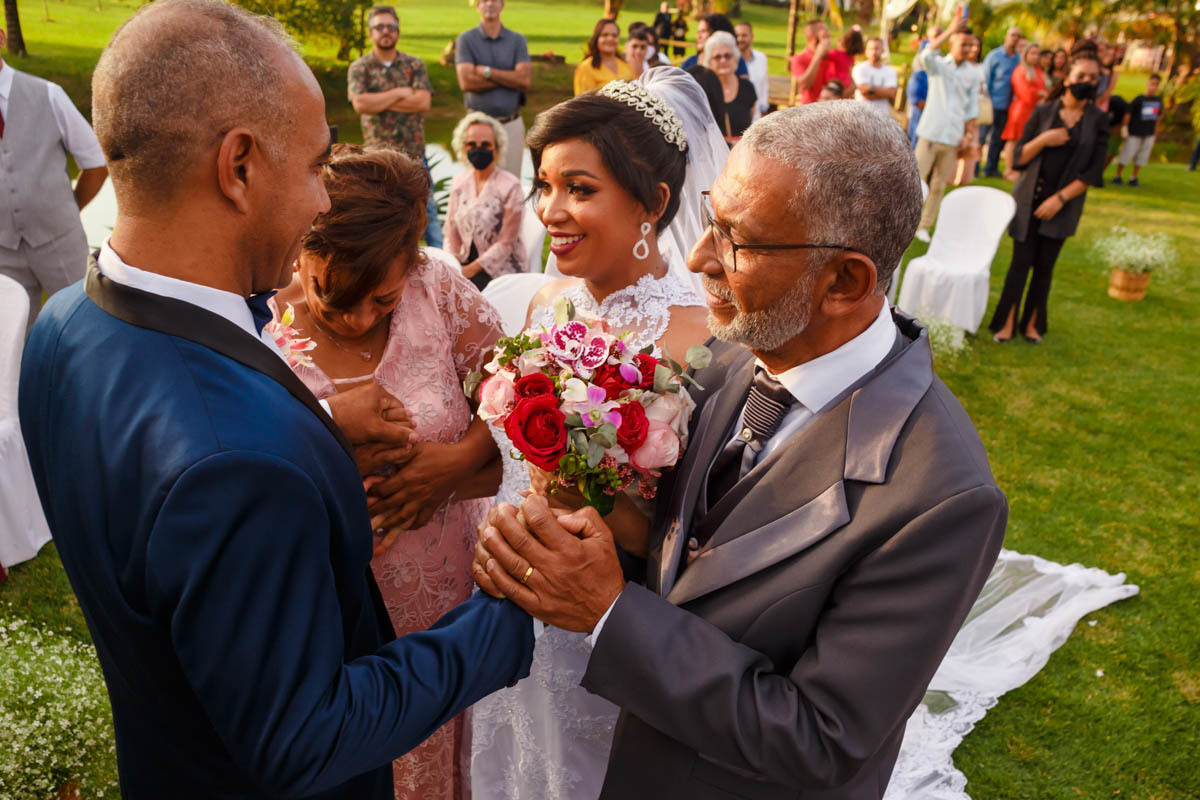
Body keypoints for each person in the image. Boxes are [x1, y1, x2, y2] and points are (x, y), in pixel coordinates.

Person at [18, 2, 536, 797]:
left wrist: (318, 429)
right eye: (316, 167)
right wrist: (512, 613)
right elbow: (306, 738)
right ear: (240, 166)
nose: (324, 203)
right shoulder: (240, 460)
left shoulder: (61, 327)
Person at [474, 100, 1007, 800]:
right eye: (710, 217)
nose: (698, 257)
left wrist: (607, 613)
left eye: (738, 241)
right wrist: (599, 527)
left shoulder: (939, 495)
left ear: (844, 282)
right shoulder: (731, 355)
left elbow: (819, 738)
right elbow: (689, 554)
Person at [470, 67, 721, 800]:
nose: (552, 211)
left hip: (609, 625)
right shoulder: (543, 305)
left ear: (655, 203)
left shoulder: (701, 339)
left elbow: (695, 526)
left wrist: (585, 500)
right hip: (506, 600)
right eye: (545, 186)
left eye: (580, 189)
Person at [273, 144, 506, 800]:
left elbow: (514, 382)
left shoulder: (437, 289)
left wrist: (457, 461)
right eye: (331, 295)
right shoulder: (260, 319)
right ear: (304, 249)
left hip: (452, 591)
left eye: (381, 299)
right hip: (333, 608)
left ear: (413, 261)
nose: (356, 318)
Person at [988, 44, 1107, 344]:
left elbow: (1093, 172)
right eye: (1082, 75)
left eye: (1093, 78)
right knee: (1019, 265)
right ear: (1067, 78)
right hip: (1029, 200)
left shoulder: (1098, 120)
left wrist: (1060, 199)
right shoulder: (1043, 112)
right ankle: (1006, 322)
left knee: (1045, 267)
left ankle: (1033, 323)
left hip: (1063, 204)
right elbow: (1018, 158)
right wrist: (1044, 139)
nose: (1088, 82)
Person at [0, 24, 108, 332]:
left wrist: (69, 209)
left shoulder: (48, 94)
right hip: (3, 251)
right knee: (11, 338)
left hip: (61, 241)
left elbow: (96, 163)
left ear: (1, 38)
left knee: (86, 326)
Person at [347, 5, 442, 248]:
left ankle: (444, 266)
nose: (386, 31)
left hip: (415, 157)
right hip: (377, 160)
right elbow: (361, 104)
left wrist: (379, 101)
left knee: (428, 217)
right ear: (371, 33)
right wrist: (400, 92)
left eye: (391, 27)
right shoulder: (360, 67)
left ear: (398, 32)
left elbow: (423, 102)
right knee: (380, 221)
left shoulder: (414, 65)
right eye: (379, 27)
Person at [912, 19, 979, 242]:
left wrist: (968, 135)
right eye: (964, 44)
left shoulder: (973, 73)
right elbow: (926, 54)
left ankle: (924, 226)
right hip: (930, 133)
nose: (968, 49)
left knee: (939, 185)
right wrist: (951, 29)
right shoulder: (939, 65)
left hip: (953, 137)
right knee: (916, 181)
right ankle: (906, 221)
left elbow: (972, 107)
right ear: (952, 44)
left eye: (970, 45)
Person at [444, 112, 526, 288]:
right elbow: (451, 231)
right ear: (463, 147)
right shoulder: (459, 183)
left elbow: (506, 242)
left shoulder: (510, 186)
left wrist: (469, 271)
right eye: (472, 144)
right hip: (463, 265)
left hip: (500, 270)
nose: (478, 149)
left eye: (485, 144)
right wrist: (452, 263)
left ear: (497, 148)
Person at [455, 0, 531, 178]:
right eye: (484, 0)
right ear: (477, 6)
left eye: (495, 0)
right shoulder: (466, 39)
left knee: (511, 181)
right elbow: (467, 83)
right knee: (477, 183)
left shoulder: (517, 40)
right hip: (477, 128)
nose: (490, 4)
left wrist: (487, 72)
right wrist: (509, 78)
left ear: (502, 5)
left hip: (511, 124)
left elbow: (524, 80)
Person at [1000, 41, 1048, 181]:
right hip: (1021, 110)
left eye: (1037, 53)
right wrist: (1039, 93)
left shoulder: (1038, 71)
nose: (1035, 56)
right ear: (1026, 54)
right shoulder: (1020, 70)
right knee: (1013, 140)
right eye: (1032, 53)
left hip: (1034, 110)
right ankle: (1009, 169)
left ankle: (1021, 169)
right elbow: (1024, 92)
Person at [698, 31, 757, 143]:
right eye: (717, 57)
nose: (723, 60)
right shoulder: (702, 90)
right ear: (709, 62)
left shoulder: (747, 88)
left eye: (728, 56)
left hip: (740, 150)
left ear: (735, 58)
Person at [980, 26, 1022, 177]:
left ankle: (991, 168)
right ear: (1006, 37)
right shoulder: (994, 56)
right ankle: (974, 168)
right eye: (1013, 35)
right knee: (982, 137)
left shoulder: (1018, 59)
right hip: (991, 104)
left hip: (1008, 106)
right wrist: (987, 101)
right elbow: (985, 80)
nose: (1015, 38)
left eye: (1018, 36)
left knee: (998, 139)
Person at [1113, 73, 1163, 187]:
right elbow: (1128, 114)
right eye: (1152, 84)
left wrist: (1155, 133)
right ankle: (1118, 176)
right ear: (1148, 84)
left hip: (1149, 133)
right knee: (1127, 154)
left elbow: (1159, 117)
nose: (1154, 87)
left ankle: (1134, 178)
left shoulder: (1158, 100)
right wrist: (1125, 128)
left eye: (1156, 84)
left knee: (1142, 157)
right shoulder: (1139, 99)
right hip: (1135, 132)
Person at [790, 19, 852, 105]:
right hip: (811, 109)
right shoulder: (799, 59)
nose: (829, 34)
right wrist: (818, 55)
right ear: (814, 38)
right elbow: (805, 85)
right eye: (825, 33)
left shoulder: (832, 56)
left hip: (833, 109)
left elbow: (850, 85)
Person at [953, 34, 986, 186]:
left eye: (976, 46)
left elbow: (984, 89)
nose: (973, 49)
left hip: (974, 111)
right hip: (957, 112)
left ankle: (965, 180)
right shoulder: (955, 66)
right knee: (955, 146)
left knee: (971, 145)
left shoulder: (980, 68)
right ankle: (950, 180)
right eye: (970, 45)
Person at [574, 18, 636, 94]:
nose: (610, 39)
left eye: (614, 35)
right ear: (597, 38)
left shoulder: (626, 66)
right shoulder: (586, 68)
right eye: (605, 35)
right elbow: (581, 99)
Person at [681, 13, 748, 76]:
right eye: (698, 32)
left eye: (703, 31)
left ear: (718, 32)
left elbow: (745, 83)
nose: (698, 36)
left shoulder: (736, 61)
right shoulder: (689, 63)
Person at [852, 36, 898, 115]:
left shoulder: (891, 71)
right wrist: (884, 93)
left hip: (883, 116)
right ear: (866, 51)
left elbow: (891, 93)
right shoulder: (859, 68)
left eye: (877, 48)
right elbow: (864, 92)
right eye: (870, 49)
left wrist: (871, 88)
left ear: (883, 50)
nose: (873, 52)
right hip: (861, 115)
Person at [735, 21, 770, 119]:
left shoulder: (761, 58)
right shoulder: (728, 61)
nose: (740, 39)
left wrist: (764, 109)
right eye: (737, 35)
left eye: (744, 35)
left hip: (756, 118)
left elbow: (764, 85)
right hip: (735, 118)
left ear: (752, 37)